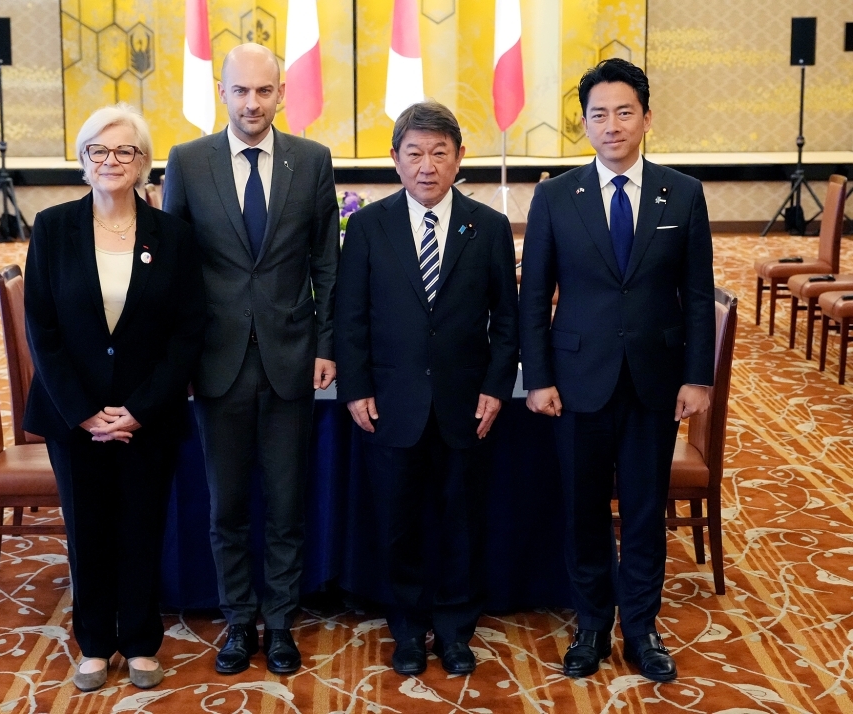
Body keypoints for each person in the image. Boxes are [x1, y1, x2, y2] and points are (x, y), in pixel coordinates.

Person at [519, 58, 715, 683]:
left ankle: (643, 628)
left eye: (624, 112)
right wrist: (540, 376)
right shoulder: (555, 196)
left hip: (654, 383)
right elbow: (534, 298)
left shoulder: (681, 193)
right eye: (598, 114)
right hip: (576, 382)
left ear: (647, 118)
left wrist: (697, 377)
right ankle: (590, 626)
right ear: (584, 124)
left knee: (643, 510)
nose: (611, 125)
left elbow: (698, 292)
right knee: (581, 512)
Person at [162, 43, 340, 675]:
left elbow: (326, 262)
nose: (252, 103)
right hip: (217, 364)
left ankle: (282, 622)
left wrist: (325, 345)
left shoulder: (312, 161)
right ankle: (239, 622)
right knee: (228, 505)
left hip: (293, 361)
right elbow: (174, 273)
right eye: (241, 91)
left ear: (281, 93)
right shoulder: (187, 162)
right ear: (222, 93)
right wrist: (177, 360)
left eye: (264, 91)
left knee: (287, 504)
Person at [23, 103, 206, 692]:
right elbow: (42, 329)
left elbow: (187, 330)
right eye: (98, 151)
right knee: (88, 531)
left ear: (144, 163)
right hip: (72, 415)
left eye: (124, 151)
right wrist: (83, 412)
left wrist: (140, 408)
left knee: (141, 527)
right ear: (82, 161)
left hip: (145, 415)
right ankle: (96, 644)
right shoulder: (53, 227)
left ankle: (143, 643)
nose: (111, 161)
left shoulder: (172, 235)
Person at [335, 101, 519, 676]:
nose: (427, 165)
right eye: (414, 152)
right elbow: (352, 317)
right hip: (392, 404)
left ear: (460, 158)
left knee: (460, 520)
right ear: (395, 160)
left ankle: (456, 629)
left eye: (440, 152)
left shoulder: (486, 227)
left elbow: (507, 319)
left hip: (465, 403)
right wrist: (357, 386)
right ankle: (409, 631)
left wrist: (495, 387)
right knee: (399, 524)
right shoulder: (368, 226)